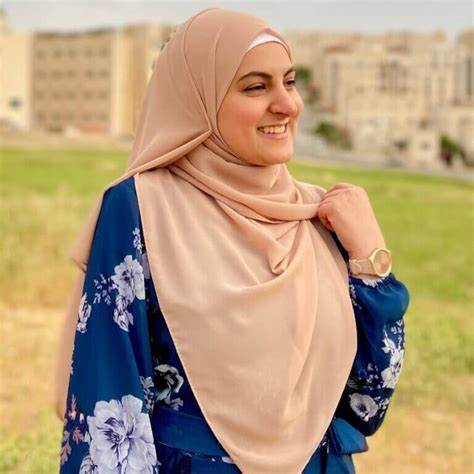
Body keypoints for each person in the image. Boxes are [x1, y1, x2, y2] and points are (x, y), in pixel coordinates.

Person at [54, 7, 410, 473]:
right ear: (197, 100)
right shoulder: (141, 208)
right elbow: (110, 401)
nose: (287, 105)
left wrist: (370, 262)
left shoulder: (321, 216)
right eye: (256, 87)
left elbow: (367, 404)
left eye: (290, 81)